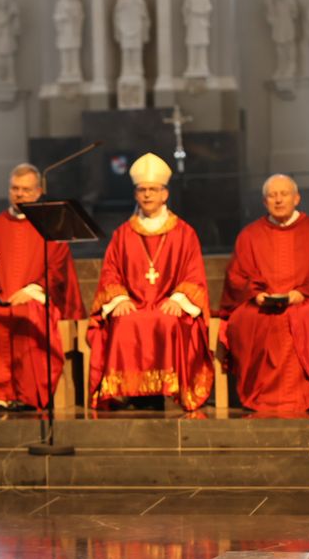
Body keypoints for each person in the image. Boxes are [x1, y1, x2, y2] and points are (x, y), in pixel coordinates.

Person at [86, 152, 214, 412]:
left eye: (153, 190)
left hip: (168, 307)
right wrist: (119, 299)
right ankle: (131, 392)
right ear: (135, 194)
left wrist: (178, 299)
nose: (147, 195)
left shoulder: (184, 233)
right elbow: (110, 271)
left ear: (165, 194)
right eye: (142, 190)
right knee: (123, 322)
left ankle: (166, 390)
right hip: (133, 305)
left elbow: (193, 273)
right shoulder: (123, 234)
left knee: (167, 321)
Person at [219, 174, 309, 414]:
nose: (278, 200)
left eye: (284, 194)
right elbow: (236, 275)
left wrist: (302, 293)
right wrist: (256, 293)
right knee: (248, 320)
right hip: (262, 304)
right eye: (272, 195)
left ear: (296, 198)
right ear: (264, 202)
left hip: (305, 302)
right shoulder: (250, 235)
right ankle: (260, 395)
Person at [0, 164, 85, 411]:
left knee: (29, 315)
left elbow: (58, 271)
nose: (19, 194)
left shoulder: (51, 226)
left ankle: (28, 394)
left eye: (25, 189)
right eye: (15, 188)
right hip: (0, 301)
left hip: (36, 300)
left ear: (38, 192)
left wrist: (33, 290)